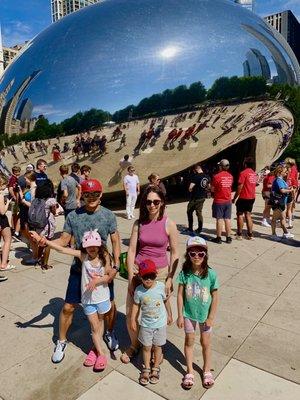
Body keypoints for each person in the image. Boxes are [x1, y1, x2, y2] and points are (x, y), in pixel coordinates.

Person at [33, 179, 121, 363]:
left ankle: (109, 333)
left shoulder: (108, 215)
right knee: (68, 307)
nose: (91, 198)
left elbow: (115, 241)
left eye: (95, 194)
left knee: (109, 305)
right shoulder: (73, 216)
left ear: (101, 194)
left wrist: (116, 265)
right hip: (79, 268)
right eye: (87, 194)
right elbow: (64, 241)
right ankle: (62, 340)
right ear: (82, 195)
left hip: (102, 268)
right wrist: (46, 242)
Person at [31, 229, 115, 371]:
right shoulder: (83, 256)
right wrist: (46, 242)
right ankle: (102, 354)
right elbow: (62, 250)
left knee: (99, 324)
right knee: (94, 327)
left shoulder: (104, 256)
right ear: (85, 247)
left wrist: (98, 281)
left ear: (100, 246)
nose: (92, 249)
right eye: (89, 246)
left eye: (94, 246)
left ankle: (95, 350)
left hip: (102, 298)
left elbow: (110, 275)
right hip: (88, 300)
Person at [121, 186, 179, 364]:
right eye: (148, 202)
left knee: (155, 314)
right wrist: (131, 276)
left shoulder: (169, 224)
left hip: (159, 274)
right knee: (132, 310)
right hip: (139, 272)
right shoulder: (139, 224)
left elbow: (175, 253)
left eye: (156, 202)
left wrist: (170, 278)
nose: (152, 205)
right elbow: (131, 250)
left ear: (162, 203)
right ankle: (135, 344)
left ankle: (155, 348)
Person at [177, 236, 219, 389]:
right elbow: (180, 295)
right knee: (189, 341)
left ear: (205, 255)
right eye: (192, 253)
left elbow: (215, 296)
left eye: (200, 253)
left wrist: (211, 317)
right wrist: (180, 315)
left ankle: (206, 370)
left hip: (205, 316)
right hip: (188, 314)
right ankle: (189, 371)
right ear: (188, 255)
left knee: (205, 342)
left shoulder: (211, 274)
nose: (196, 257)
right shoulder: (184, 273)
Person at [131, 259, 171, 386]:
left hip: (160, 324)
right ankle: (147, 368)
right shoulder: (138, 291)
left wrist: (170, 314)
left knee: (158, 347)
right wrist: (133, 319)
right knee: (147, 347)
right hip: (146, 324)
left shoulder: (161, 287)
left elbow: (166, 302)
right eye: (145, 276)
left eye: (151, 276)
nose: (148, 279)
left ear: (156, 275)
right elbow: (136, 306)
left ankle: (156, 367)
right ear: (140, 276)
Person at [232, 157, 257, 240]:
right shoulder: (253, 173)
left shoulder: (243, 173)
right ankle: (250, 234)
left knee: (239, 214)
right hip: (252, 197)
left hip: (244, 197)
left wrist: (234, 198)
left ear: (245, 164)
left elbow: (240, 187)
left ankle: (239, 234)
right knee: (248, 215)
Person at [211, 159, 233, 244]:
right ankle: (228, 237)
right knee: (227, 219)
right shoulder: (230, 176)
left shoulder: (216, 176)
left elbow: (212, 189)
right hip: (228, 200)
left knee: (219, 219)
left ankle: (219, 238)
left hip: (219, 200)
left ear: (220, 166)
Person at [270, 165, 294, 240]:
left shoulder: (281, 180)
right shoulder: (278, 180)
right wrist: (290, 190)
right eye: (284, 172)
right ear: (280, 172)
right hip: (278, 202)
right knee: (277, 218)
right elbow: (282, 190)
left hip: (281, 202)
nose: (286, 173)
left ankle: (284, 233)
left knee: (281, 218)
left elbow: (284, 188)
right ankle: (275, 234)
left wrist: (288, 188)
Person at [187, 164, 210, 234]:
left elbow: (190, 188)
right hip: (202, 197)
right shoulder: (207, 176)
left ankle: (190, 228)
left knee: (189, 211)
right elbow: (208, 187)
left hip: (195, 198)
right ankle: (200, 228)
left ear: (196, 169)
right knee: (199, 213)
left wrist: (191, 190)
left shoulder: (195, 177)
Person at [0, 175, 14, 271]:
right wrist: (7, 203)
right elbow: (2, 211)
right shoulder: (0, 195)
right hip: (2, 220)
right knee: (7, 240)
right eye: (4, 184)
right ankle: (4, 264)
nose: (5, 186)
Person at [8, 165, 21, 239]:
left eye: (19, 172)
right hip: (14, 200)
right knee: (14, 214)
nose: (18, 173)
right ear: (14, 172)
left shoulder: (15, 178)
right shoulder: (13, 179)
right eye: (17, 172)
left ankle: (15, 228)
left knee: (15, 214)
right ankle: (13, 229)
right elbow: (10, 189)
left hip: (16, 199)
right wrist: (15, 197)